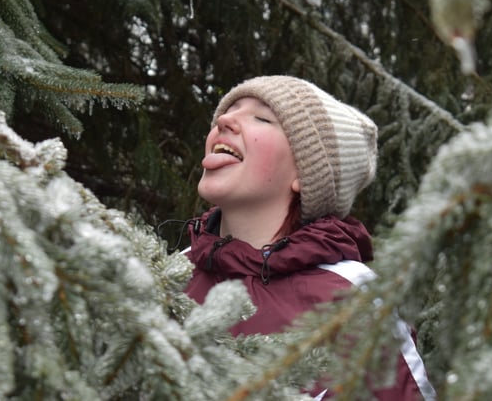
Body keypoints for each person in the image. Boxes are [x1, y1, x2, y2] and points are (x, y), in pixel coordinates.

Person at [184, 75, 435, 400]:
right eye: (228, 111)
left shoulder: (352, 301)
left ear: (305, 173)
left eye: (261, 118)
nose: (224, 120)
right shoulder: (170, 275)